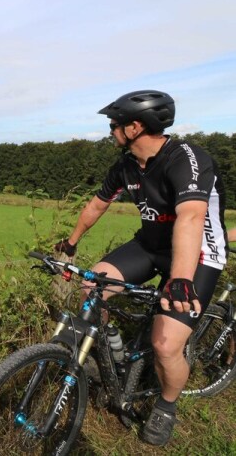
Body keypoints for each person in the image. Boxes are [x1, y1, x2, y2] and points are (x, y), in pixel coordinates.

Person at [54, 90, 229, 446]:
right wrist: (70, 244)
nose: (110, 131)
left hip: (197, 253)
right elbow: (97, 204)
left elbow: (191, 217)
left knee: (166, 346)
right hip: (150, 246)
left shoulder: (187, 158)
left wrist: (180, 278)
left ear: (134, 127)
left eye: (114, 125)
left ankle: (166, 406)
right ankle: (110, 350)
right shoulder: (126, 166)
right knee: (93, 286)